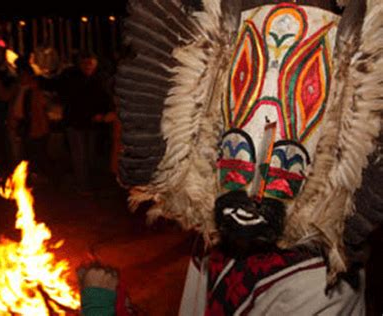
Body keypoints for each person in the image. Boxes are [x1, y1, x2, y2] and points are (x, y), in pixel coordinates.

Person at [115, 0, 382, 314]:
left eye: (284, 161)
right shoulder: (213, 244)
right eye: (237, 155)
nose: (254, 193)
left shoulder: (319, 290)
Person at [59, 53, 114, 194]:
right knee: (79, 155)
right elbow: (72, 101)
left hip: (93, 124)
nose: (88, 66)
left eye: (90, 64)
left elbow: (105, 99)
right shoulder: (72, 79)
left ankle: (90, 182)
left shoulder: (100, 80)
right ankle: (82, 184)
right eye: (85, 63)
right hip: (76, 123)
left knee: (90, 155)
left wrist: (102, 115)